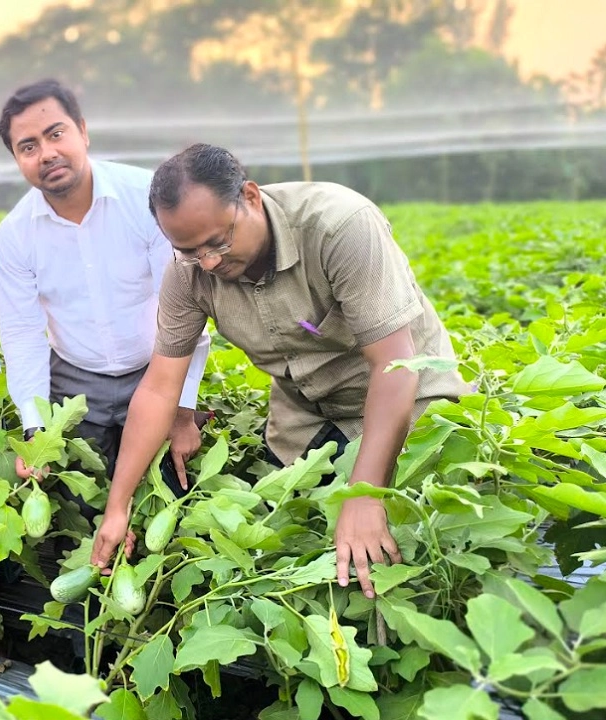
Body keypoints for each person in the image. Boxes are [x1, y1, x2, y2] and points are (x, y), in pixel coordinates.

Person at [90, 143, 471, 599]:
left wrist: (364, 495)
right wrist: (118, 506)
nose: (209, 262)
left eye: (219, 241)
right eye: (189, 251)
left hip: (406, 402)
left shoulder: (338, 226)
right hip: (305, 415)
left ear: (250, 197)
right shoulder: (188, 274)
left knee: (407, 549)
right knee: (286, 546)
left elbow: (395, 366)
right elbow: (158, 390)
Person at [0, 79, 212, 492]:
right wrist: (35, 429)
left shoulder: (146, 197)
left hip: (157, 369)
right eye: (28, 147)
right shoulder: (15, 234)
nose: (47, 153)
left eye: (56, 134)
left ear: (83, 131)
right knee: (75, 498)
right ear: (17, 159)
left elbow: (183, 308)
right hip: (74, 379)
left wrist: (183, 410)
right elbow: (22, 334)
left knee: (170, 488)